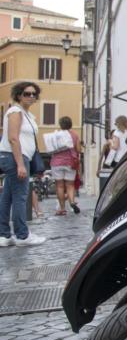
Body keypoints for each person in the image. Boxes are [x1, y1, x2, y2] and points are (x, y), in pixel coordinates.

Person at [0, 82, 46, 246]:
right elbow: (13, 138)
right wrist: (20, 164)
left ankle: (4, 235)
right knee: (20, 196)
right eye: (27, 93)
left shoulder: (27, 114)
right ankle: (22, 235)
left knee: (7, 196)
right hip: (16, 157)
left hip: (17, 157)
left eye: (34, 94)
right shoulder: (15, 111)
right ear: (19, 95)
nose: (31, 96)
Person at [50, 116, 81, 215]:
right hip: (70, 162)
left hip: (57, 163)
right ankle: (72, 202)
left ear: (60, 125)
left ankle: (62, 208)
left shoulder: (56, 135)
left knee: (59, 186)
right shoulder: (75, 135)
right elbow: (79, 150)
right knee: (70, 185)